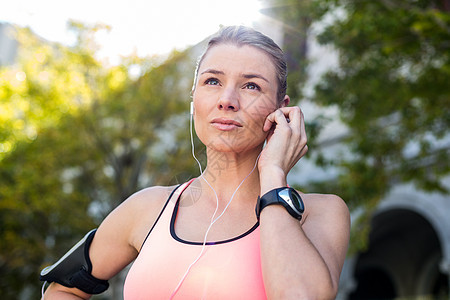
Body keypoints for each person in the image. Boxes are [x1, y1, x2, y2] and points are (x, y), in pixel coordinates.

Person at [41, 25, 350, 299]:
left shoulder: (319, 214)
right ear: (194, 99)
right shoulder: (147, 208)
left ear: (281, 111)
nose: (227, 99)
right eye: (212, 81)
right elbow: (62, 288)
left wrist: (273, 174)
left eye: (251, 85)